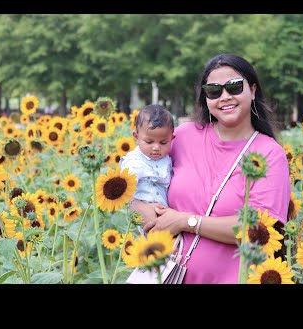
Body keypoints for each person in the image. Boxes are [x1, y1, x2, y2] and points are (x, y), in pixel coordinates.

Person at [131, 54, 292, 284]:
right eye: (214, 91)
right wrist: (141, 208)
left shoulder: (269, 153)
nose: (225, 97)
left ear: (253, 90)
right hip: (164, 274)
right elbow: (134, 176)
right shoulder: (183, 136)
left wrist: (186, 221)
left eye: (234, 87)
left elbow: (259, 229)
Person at [120, 104, 175, 228]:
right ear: (136, 137)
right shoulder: (134, 162)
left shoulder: (167, 159)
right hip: (141, 217)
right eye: (149, 142)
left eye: (163, 142)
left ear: (172, 138)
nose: (156, 147)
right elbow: (124, 190)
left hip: (166, 215)